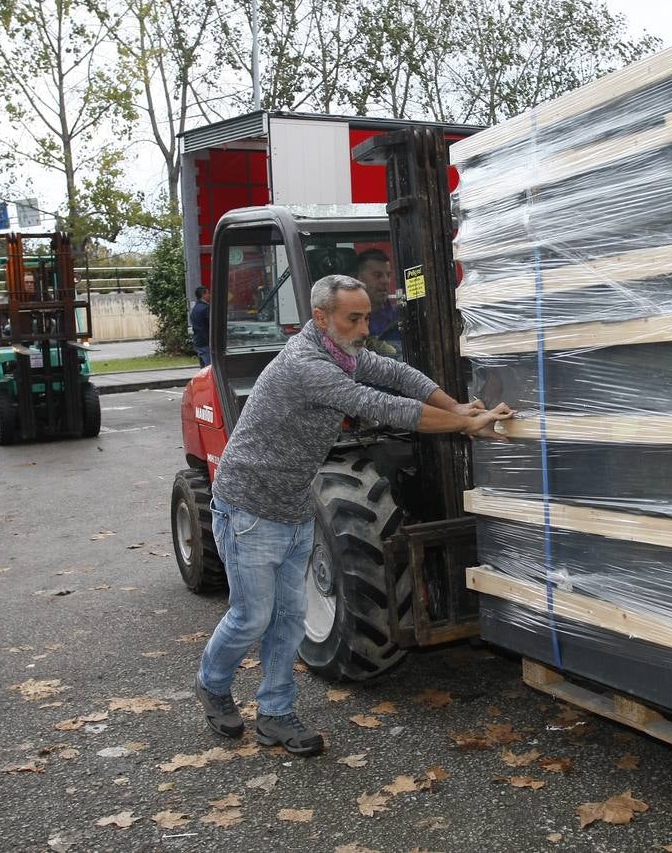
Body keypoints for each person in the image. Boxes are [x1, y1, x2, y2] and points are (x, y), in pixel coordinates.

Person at [194, 274, 512, 756]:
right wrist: (466, 424)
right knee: (251, 616)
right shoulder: (306, 365)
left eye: (366, 316)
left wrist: (459, 408)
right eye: (354, 318)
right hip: (251, 507)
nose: (364, 328)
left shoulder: (343, 354)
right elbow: (377, 405)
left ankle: (276, 715)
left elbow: (400, 377)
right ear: (321, 318)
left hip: (296, 504)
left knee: (290, 617)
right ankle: (213, 685)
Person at [354, 250, 401, 357]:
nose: (385, 281)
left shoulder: (402, 316)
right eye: (377, 275)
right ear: (359, 279)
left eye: (388, 275)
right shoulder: (348, 323)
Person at [190, 286, 210, 367]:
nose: (210, 295)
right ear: (203, 295)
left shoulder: (195, 308)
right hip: (206, 342)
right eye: (208, 293)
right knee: (209, 368)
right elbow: (211, 325)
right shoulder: (206, 308)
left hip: (198, 341)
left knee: (203, 368)